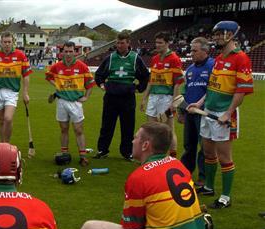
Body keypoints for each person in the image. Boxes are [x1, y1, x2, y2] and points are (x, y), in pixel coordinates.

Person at [188, 21, 253, 209]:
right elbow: (212, 87)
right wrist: (199, 103)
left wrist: (228, 113)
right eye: (215, 34)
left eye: (219, 34)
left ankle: (225, 196)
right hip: (207, 110)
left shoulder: (241, 58)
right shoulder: (218, 58)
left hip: (224, 115)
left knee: (225, 157)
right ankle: (208, 186)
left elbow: (241, 92)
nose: (216, 37)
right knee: (208, 153)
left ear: (231, 35)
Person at [94, 32, 149, 160]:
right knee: (107, 125)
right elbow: (99, 74)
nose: (119, 45)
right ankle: (102, 150)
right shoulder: (111, 57)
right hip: (111, 97)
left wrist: (138, 88)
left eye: (122, 43)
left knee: (127, 127)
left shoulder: (135, 58)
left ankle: (127, 152)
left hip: (127, 98)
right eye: (117, 43)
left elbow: (145, 76)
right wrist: (102, 85)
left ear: (128, 43)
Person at [45, 41, 95, 166]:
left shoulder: (82, 66)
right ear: (62, 52)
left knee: (78, 129)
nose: (68, 54)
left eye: (70, 51)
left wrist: (86, 97)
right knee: (64, 129)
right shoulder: (57, 66)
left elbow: (90, 83)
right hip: (61, 102)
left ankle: (83, 156)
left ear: (75, 52)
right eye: (66, 51)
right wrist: (57, 85)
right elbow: (48, 77)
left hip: (75, 103)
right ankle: (65, 154)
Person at [0, 32, 32, 142]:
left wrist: (25, 93)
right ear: (1, 42)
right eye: (5, 42)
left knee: (8, 119)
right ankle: (2, 144)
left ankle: (7, 145)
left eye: (9, 42)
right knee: (1, 121)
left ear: (13, 42)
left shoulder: (20, 55)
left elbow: (26, 75)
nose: (7, 44)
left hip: (12, 93)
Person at [140, 31, 184, 157]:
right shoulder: (154, 59)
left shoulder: (174, 59)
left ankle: (172, 158)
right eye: (156, 42)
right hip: (153, 98)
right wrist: (144, 99)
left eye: (160, 43)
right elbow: (151, 81)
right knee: (151, 129)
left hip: (166, 98)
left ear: (167, 43)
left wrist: (174, 103)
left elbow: (177, 82)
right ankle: (154, 157)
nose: (157, 45)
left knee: (168, 130)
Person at [179, 37, 214, 185]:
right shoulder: (190, 69)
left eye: (195, 50)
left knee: (204, 147)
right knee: (189, 145)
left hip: (204, 113)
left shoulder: (213, 65)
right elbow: (185, 90)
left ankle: (203, 177)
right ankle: (185, 173)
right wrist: (182, 111)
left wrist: (200, 105)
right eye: (191, 50)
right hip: (189, 113)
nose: (191, 53)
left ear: (205, 51)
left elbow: (213, 90)